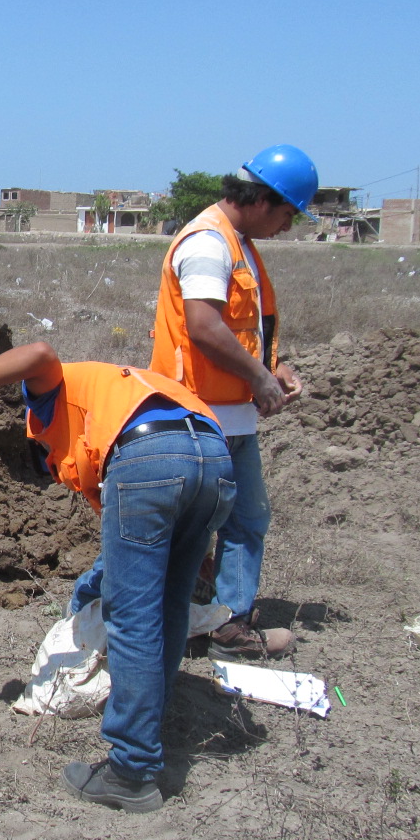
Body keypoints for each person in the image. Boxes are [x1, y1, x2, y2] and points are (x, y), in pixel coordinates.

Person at [0, 344, 234, 814]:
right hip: (212, 459)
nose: (57, 471)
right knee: (170, 604)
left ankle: (131, 769)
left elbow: (38, 353)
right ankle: (151, 719)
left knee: (132, 615)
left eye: (49, 462)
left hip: (150, 456)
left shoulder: (54, 397)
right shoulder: (122, 387)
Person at [138, 144, 319, 659]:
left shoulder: (236, 242)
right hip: (202, 417)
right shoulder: (208, 243)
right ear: (264, 199)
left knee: (239, 520)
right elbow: (203, 327)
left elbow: (240, 331)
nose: (288, 226)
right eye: (288, 214)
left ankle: (220, 619)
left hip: (229, 416)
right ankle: (195, 623)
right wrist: (259, 378)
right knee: (197, 526)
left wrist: (271, 368)